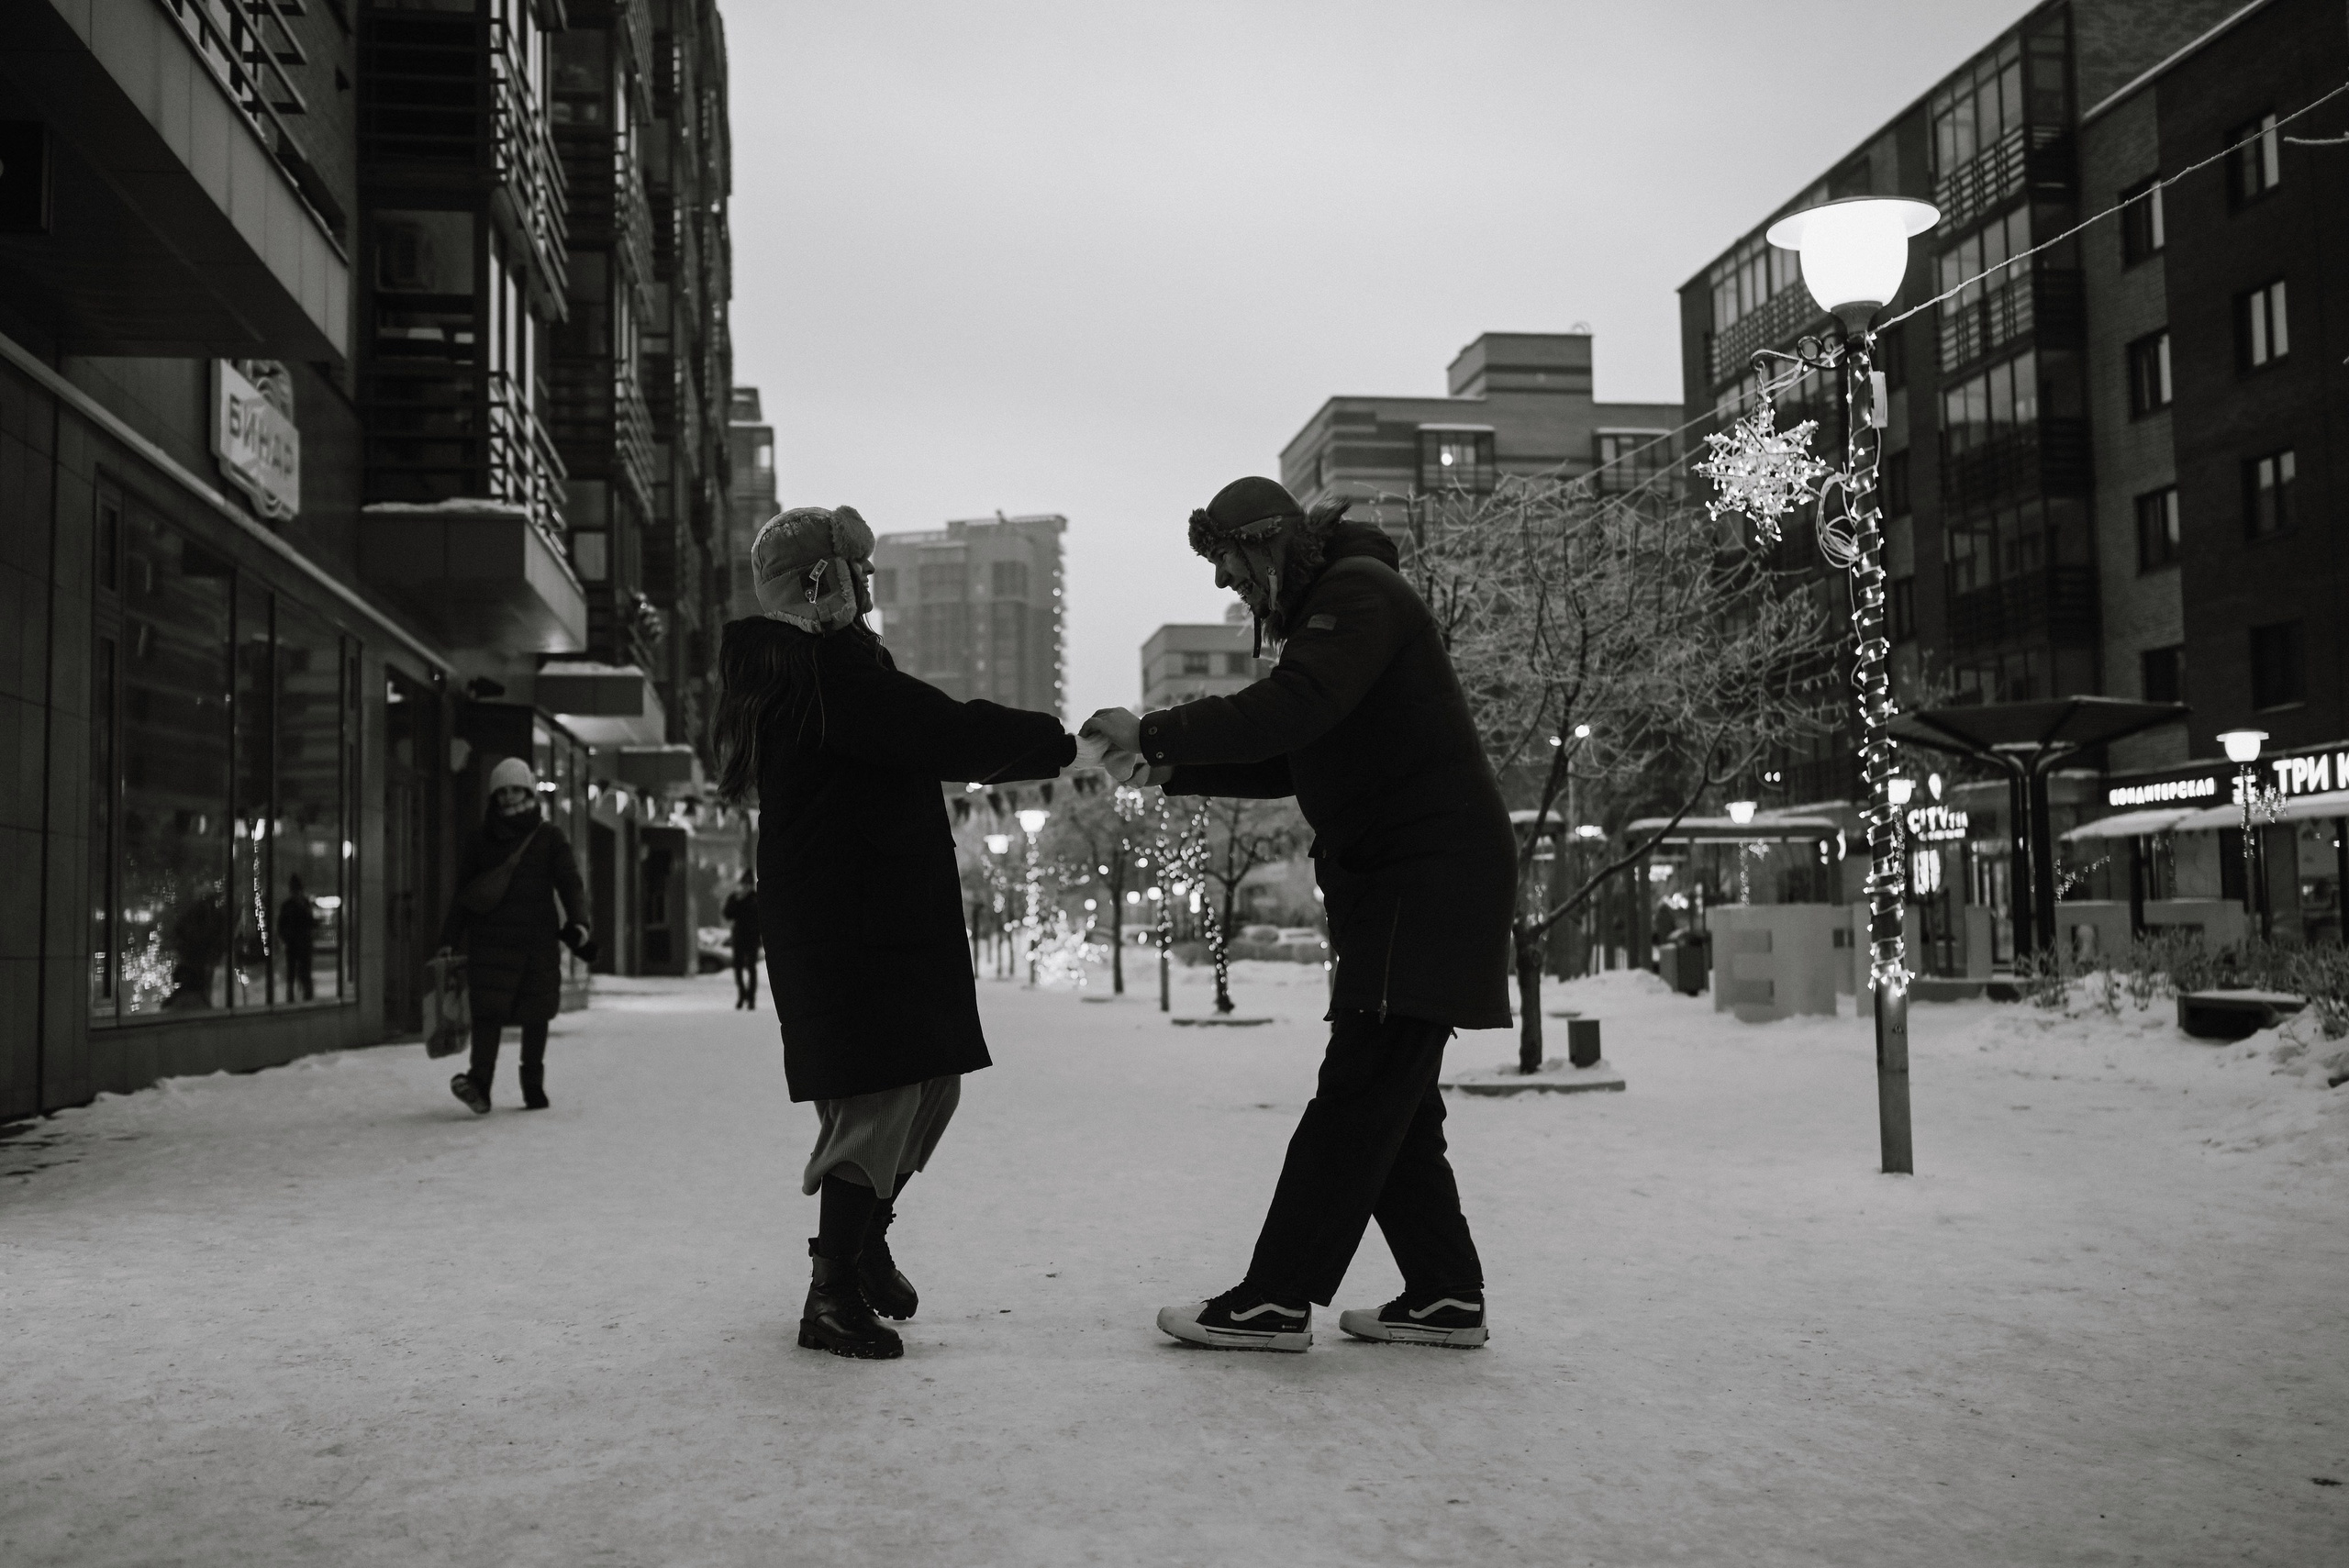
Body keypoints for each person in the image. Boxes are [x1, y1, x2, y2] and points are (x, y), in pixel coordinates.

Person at [1085, 475, 1515, 1352]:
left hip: (1422, 878)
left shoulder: (1358, 596)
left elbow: (1295, 710)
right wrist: (1171, 769)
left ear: (1271, 540)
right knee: (1394, 1098)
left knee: (1360, 1091)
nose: (1223, 585)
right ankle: (1444, 1293)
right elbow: (1299, 752)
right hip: (1405, 879)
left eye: (1229, 562)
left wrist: (1158, 733)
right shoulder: (1342, 602)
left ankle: (1276, 1297)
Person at [715, 504, 1078, 1362]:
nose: (869, 589)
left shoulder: (832, 668)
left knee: (932, 1084)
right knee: (878, 1100)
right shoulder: (821, 673)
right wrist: (1058, 743)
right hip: (853, 932)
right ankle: (831, 1289)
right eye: (856, 575)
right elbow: (943, 730)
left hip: (879, 923)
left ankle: (863, 1240)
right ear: (820, 586)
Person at [439, 757, 594, 1115]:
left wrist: (579, 921)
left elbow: (570, 882)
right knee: (487, 1014)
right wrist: (449, 937)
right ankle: (480, 1084)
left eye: (515, 789)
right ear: (494, 797)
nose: (508, 797)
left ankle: (533, 1086)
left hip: (536, 941)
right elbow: (464, 893)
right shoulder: (480, 840)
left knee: (535, 1014)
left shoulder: (549, 837)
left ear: (528, 791)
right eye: (502, 791)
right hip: (489, 941)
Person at [722, 872, 761, 1009]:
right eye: (744, 884)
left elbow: (759, 917)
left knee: (751, 968)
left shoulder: (755, 899)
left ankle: (751, 998)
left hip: (752, 937)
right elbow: (727, 914)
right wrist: (736, 901)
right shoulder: (735, 897)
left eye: (748, 885)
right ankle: (742, 994)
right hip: (739, 937)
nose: (745, 887)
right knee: (738, 969)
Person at [279, 875, 318, 1002]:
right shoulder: (299, 905)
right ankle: (304, 994)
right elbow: (310, 922)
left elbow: (281, 925)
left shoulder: (291, 905)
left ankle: (301, 994)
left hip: (297, 943)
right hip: (298, 943)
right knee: (300, 971)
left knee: (299, 971)